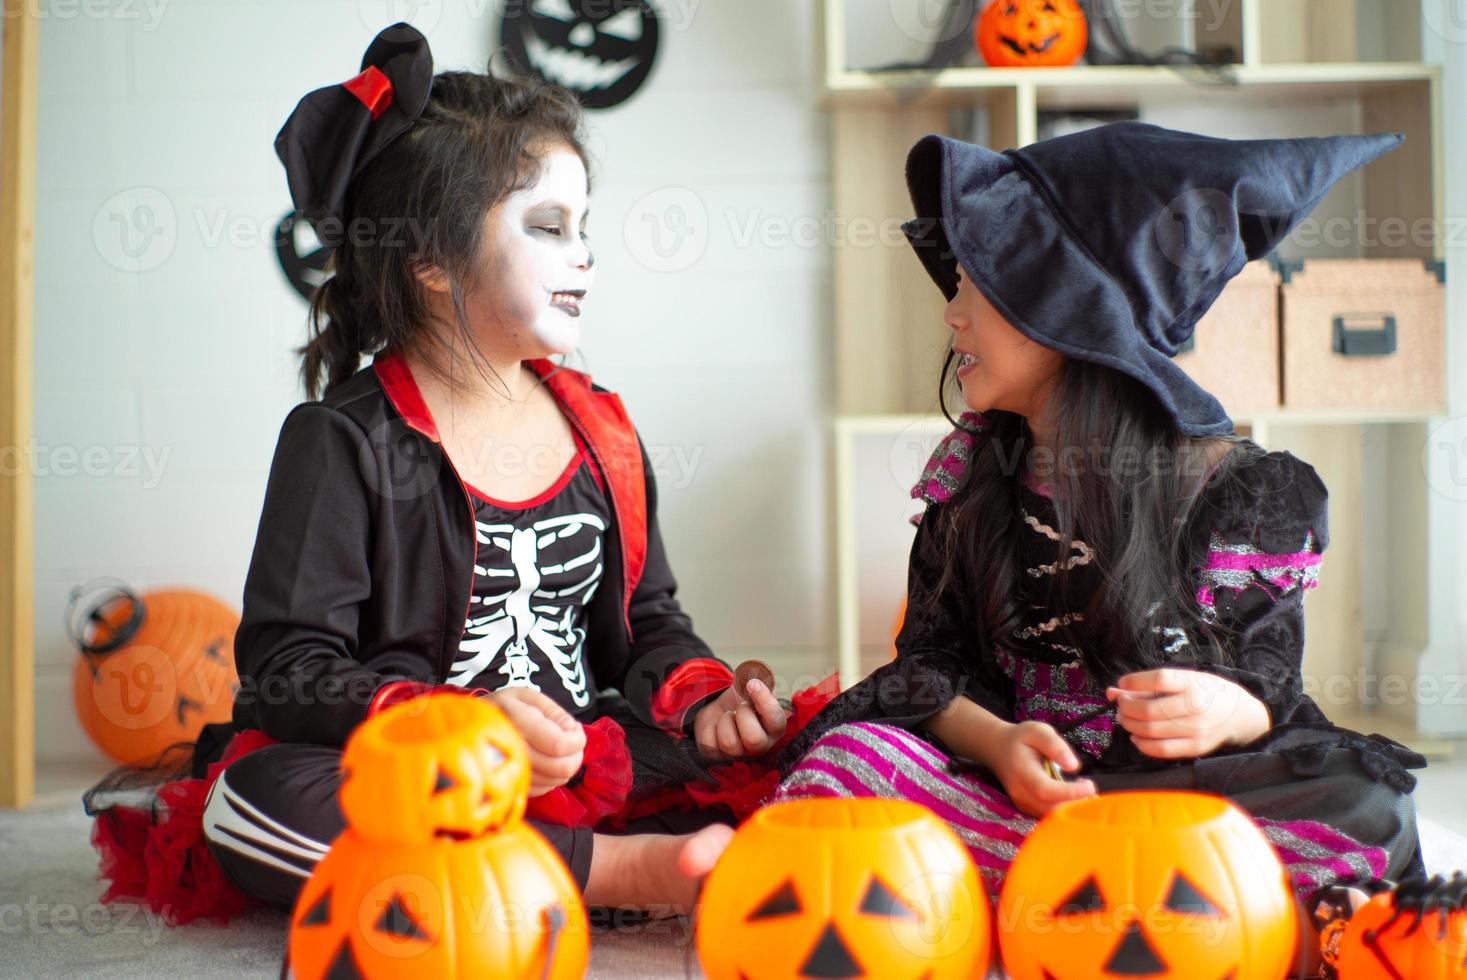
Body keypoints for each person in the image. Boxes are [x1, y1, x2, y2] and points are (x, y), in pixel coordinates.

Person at [84, 22, 830, 926]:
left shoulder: (603, 429)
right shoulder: (340, 439)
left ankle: (569, 856)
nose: (584, 254)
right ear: (431, 260)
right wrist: (452, 723)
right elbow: (286, 671)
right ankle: (616, 874)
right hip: (418, 769)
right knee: (255, 801)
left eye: (584, 226)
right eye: (550, 226)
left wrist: (705, 698)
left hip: (579, 757)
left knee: (826, 748)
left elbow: (649, 626)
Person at [771, 122, 1429, 978]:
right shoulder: (973, 481)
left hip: (1186, 802)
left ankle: (1035, 903)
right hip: (1024, 796)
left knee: (1371, 805)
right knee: (852, 760)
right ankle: (1131, 904)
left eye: (977, 287)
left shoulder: (1244, 493)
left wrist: (1226, 710)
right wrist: (998, 744)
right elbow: (927, 662)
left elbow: (1269, 679)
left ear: (1069, 313)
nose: (950, 311)